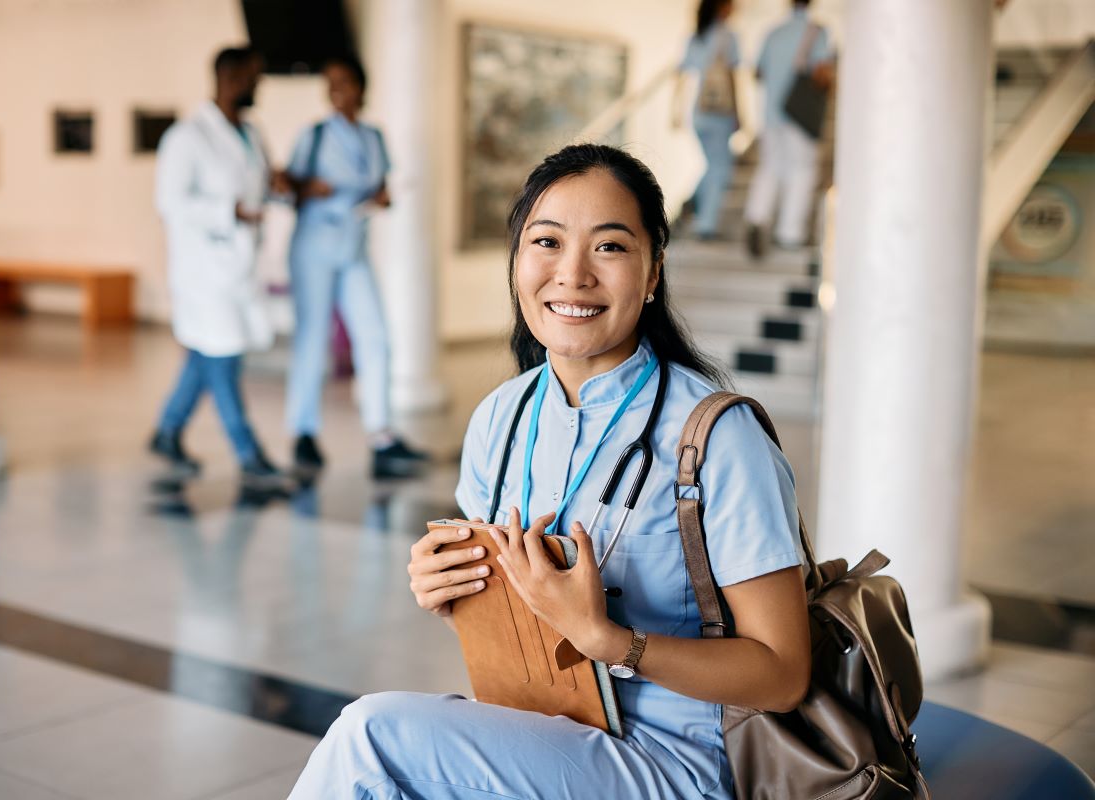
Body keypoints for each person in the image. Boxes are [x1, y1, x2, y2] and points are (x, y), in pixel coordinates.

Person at [287, 144, 812, 799]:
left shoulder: (716, 438)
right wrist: (450, 593)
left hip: (672, 764)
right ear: (516, 264)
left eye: (610, 247)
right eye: (547, 242)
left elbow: (783, 674)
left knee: (370, 740)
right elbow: (515, 618)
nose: (573, 274)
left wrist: (611, 640)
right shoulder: (500, 420)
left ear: (653, 274)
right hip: (543, 726)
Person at [284, 55, 429, 480]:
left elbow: (385, 184)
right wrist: (305, 187)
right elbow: (286, 186)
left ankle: (381, 437)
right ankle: (304, 433)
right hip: (314, 245)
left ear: (361, 88)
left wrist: (385, 196)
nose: (336, 91)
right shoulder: (312, 136)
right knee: (313, 338)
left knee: (376, 336)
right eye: (330, 83)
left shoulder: (374, 137)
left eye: (344, 82)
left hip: (353, 247)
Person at [149, 46, 282, 482]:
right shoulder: (186, 137)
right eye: (254, 78)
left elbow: (259, 185)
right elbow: (170, 203)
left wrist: (281, 186)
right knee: (221, 355)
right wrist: (232, 211)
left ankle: (167, 431)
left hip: (238, 266)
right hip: (202, 269)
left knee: (207, 353)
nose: (258, 86)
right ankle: (249, 455)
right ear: (231, 78)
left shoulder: (250, 132)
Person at [743, 0, 833, 257]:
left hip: (772, 114)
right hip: (800, 116)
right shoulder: (818, 32)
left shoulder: (773, 32)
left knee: (771, 167)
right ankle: (789, 233)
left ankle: (757, 217)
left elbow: (758, 73)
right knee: (802, 170)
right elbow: (820, 72)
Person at [672, 0, 740, 241]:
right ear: (722, 7)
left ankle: (692, 205)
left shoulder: (695, 37)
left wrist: (675, 112)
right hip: (720, 113)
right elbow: (732, 78)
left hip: (698, 113)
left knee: (712, 165)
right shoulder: (728, 36)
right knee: (721, 167)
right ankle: (705, 225)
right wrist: (739, 113)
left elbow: (680, 75)